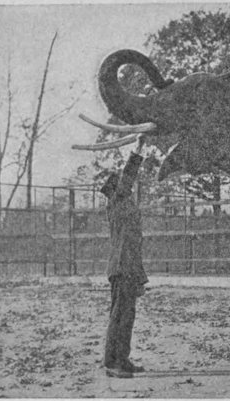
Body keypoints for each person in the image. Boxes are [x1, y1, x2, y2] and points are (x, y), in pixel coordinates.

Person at [100, 135, 148, 379]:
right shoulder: (117, 202)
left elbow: (134, 244)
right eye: (121, 184)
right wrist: (139, 148)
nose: (126, 187)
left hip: (128, 267)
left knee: (127, 315)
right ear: (115, 189)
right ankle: (112, 362)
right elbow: (129, 175)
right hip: (121, 267)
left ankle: (122, 358)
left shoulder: (125, 206)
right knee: (120, 315)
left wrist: (140, 277)